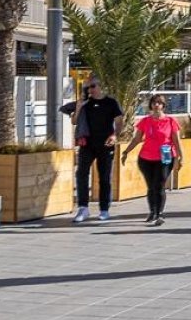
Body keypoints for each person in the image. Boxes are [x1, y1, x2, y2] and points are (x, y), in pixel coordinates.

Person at [69, 78, 122, 224]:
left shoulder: (111, 103)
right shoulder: (86, 104)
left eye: (92, 86)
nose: (89, 90)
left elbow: (119, 121)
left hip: (105, 145)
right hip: (87, 144)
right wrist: (79, 107)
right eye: (87, 87)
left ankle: (104, 209)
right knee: (81, 174)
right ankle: (83, 208)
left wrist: (114, 135)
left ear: (100, 86)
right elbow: (74, 121)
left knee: (104, 177)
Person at [130, 94, 182, 226]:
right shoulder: (145, 121)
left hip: (165, 158)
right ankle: (152, 211)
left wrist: (180, 157)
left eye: (159, 103)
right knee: (150, 186)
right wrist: (126, 151)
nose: (156, 105)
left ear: (163, 106)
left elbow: (176, 140)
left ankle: (159, 214)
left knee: (159, 185)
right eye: (154, 103)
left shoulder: (171, 121)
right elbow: (137, 139)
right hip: (146, 158)